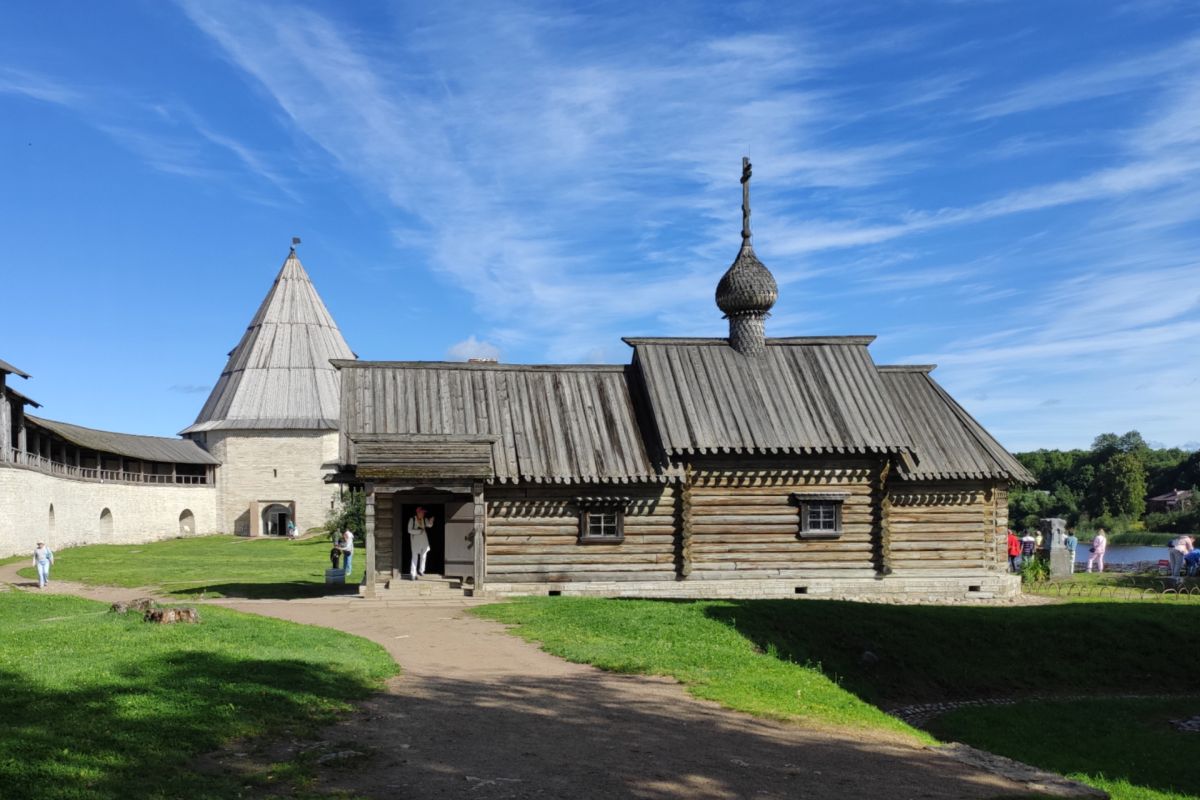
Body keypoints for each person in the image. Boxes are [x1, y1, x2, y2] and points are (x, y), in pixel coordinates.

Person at [408, 506, 433, 579]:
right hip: (415, 541)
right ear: (418, 512)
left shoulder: (424, 519)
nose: (423, 514)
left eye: (423, 513)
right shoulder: (412, 520)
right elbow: (409, 530)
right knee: (415, 557)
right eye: (422, 512)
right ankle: (413, 573)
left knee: (424, 556)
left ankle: (421, 570)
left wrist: (431, 522)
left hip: (424, 541)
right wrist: (419, 531)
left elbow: (429, 525)